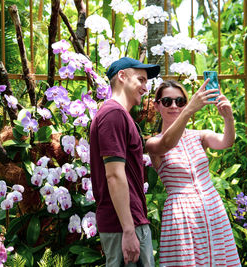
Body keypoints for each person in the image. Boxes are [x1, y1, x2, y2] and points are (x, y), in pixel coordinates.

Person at [146, 80, 241, 266]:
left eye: (180, 101)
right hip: (181, 216)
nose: (174, 106)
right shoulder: (152, 143)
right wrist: (189, 110)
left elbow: (226, 142)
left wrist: (228, 118)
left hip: (212, 209)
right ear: (157, 106)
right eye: (167, 101)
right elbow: (167, 144)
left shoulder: (199, 136)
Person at [90, 57, 160, 266]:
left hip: (126, 224)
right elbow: (114, 175)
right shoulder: (113, 114)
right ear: (121, 76)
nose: (145, 88)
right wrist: (129, 230)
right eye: (141, 80)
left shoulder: (117, 114)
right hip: (124, 227)